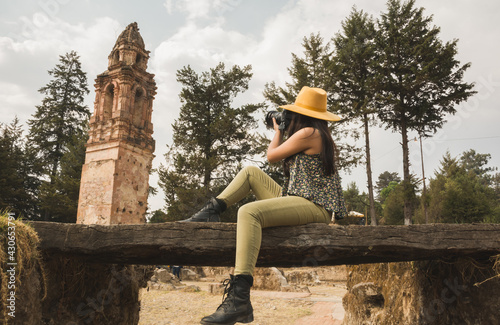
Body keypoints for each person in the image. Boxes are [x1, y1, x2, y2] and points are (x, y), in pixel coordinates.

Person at [182, 86, 347, 325]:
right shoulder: (316, 132)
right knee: (251, 172)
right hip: (298, 197)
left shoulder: (309, 133)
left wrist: (277, 130)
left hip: (314, 206)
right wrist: (282, 129)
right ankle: (211, 211)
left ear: (302, 115)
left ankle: (240, 300)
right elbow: (270, 162)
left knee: (249, 211)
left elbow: (272, 156)